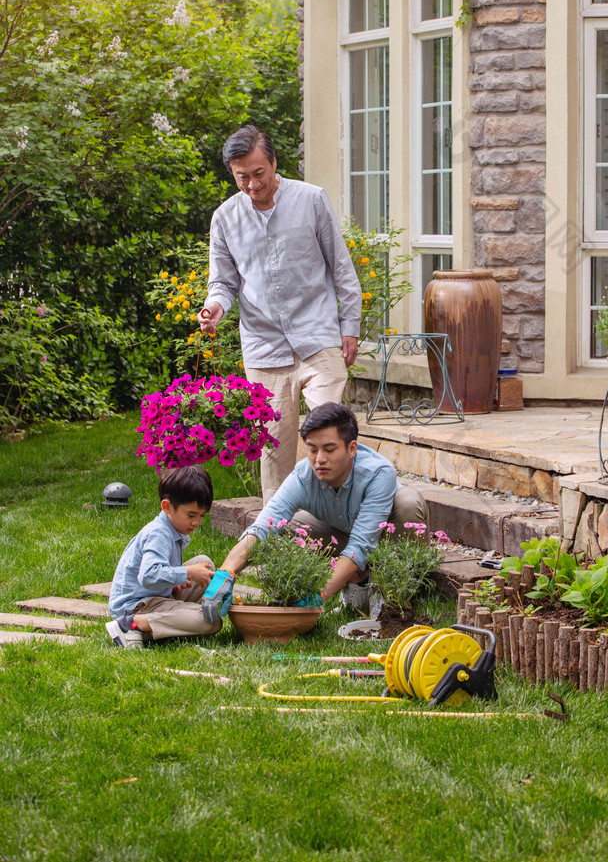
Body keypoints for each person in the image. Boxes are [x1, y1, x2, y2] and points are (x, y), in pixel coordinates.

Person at [197, 124, 362, 504]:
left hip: (318, 334)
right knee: (274, 449)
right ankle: (280, 533)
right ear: (232, 173)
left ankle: (343, 516)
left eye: (259, 174)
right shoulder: (225, 219)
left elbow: (342, 268)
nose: (253, 185)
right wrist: (215, 308)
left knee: (330, 432)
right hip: (264, 346)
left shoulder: (311, 200)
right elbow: (223, 282)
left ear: (274, 163)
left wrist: (349, 326)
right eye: (243, 177)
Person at [201, 403, 429, 619]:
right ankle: (357, 584)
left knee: (408, 502)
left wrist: (318, 595)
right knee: (281, 529)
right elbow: (264, 526)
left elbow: (361, 544)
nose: (319, 460)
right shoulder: (304, 474)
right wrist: (226, 571)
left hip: (383, 540)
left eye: (329, 450)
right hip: (340, 533)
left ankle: (391, 594)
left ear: (351, 448)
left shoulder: (378, 473)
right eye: (312, 450)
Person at [106, 466, 221, 649]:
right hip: (135, 606)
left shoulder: (171, 529)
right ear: (167, 507)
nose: (197, 522)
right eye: (191, 515)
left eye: (201, 516)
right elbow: (148, 575)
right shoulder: (159, 534)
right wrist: (187, 572)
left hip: (153, 596)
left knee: (204, 565)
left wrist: (174, 580)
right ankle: (130, 626)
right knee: (210, 621)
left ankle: (168, 623)